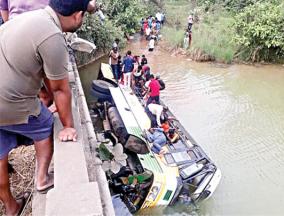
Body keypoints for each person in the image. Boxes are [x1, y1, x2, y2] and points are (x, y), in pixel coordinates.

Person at [0, 1, 96, 215]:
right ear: (78, 16)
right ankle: (42, 179)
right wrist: (68, 125)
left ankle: (10, 207)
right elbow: (61, 88)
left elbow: (42, 73)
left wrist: (47, 101)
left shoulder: (29, 19)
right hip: (7, 103)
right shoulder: (53, 36)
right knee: (44, 123)